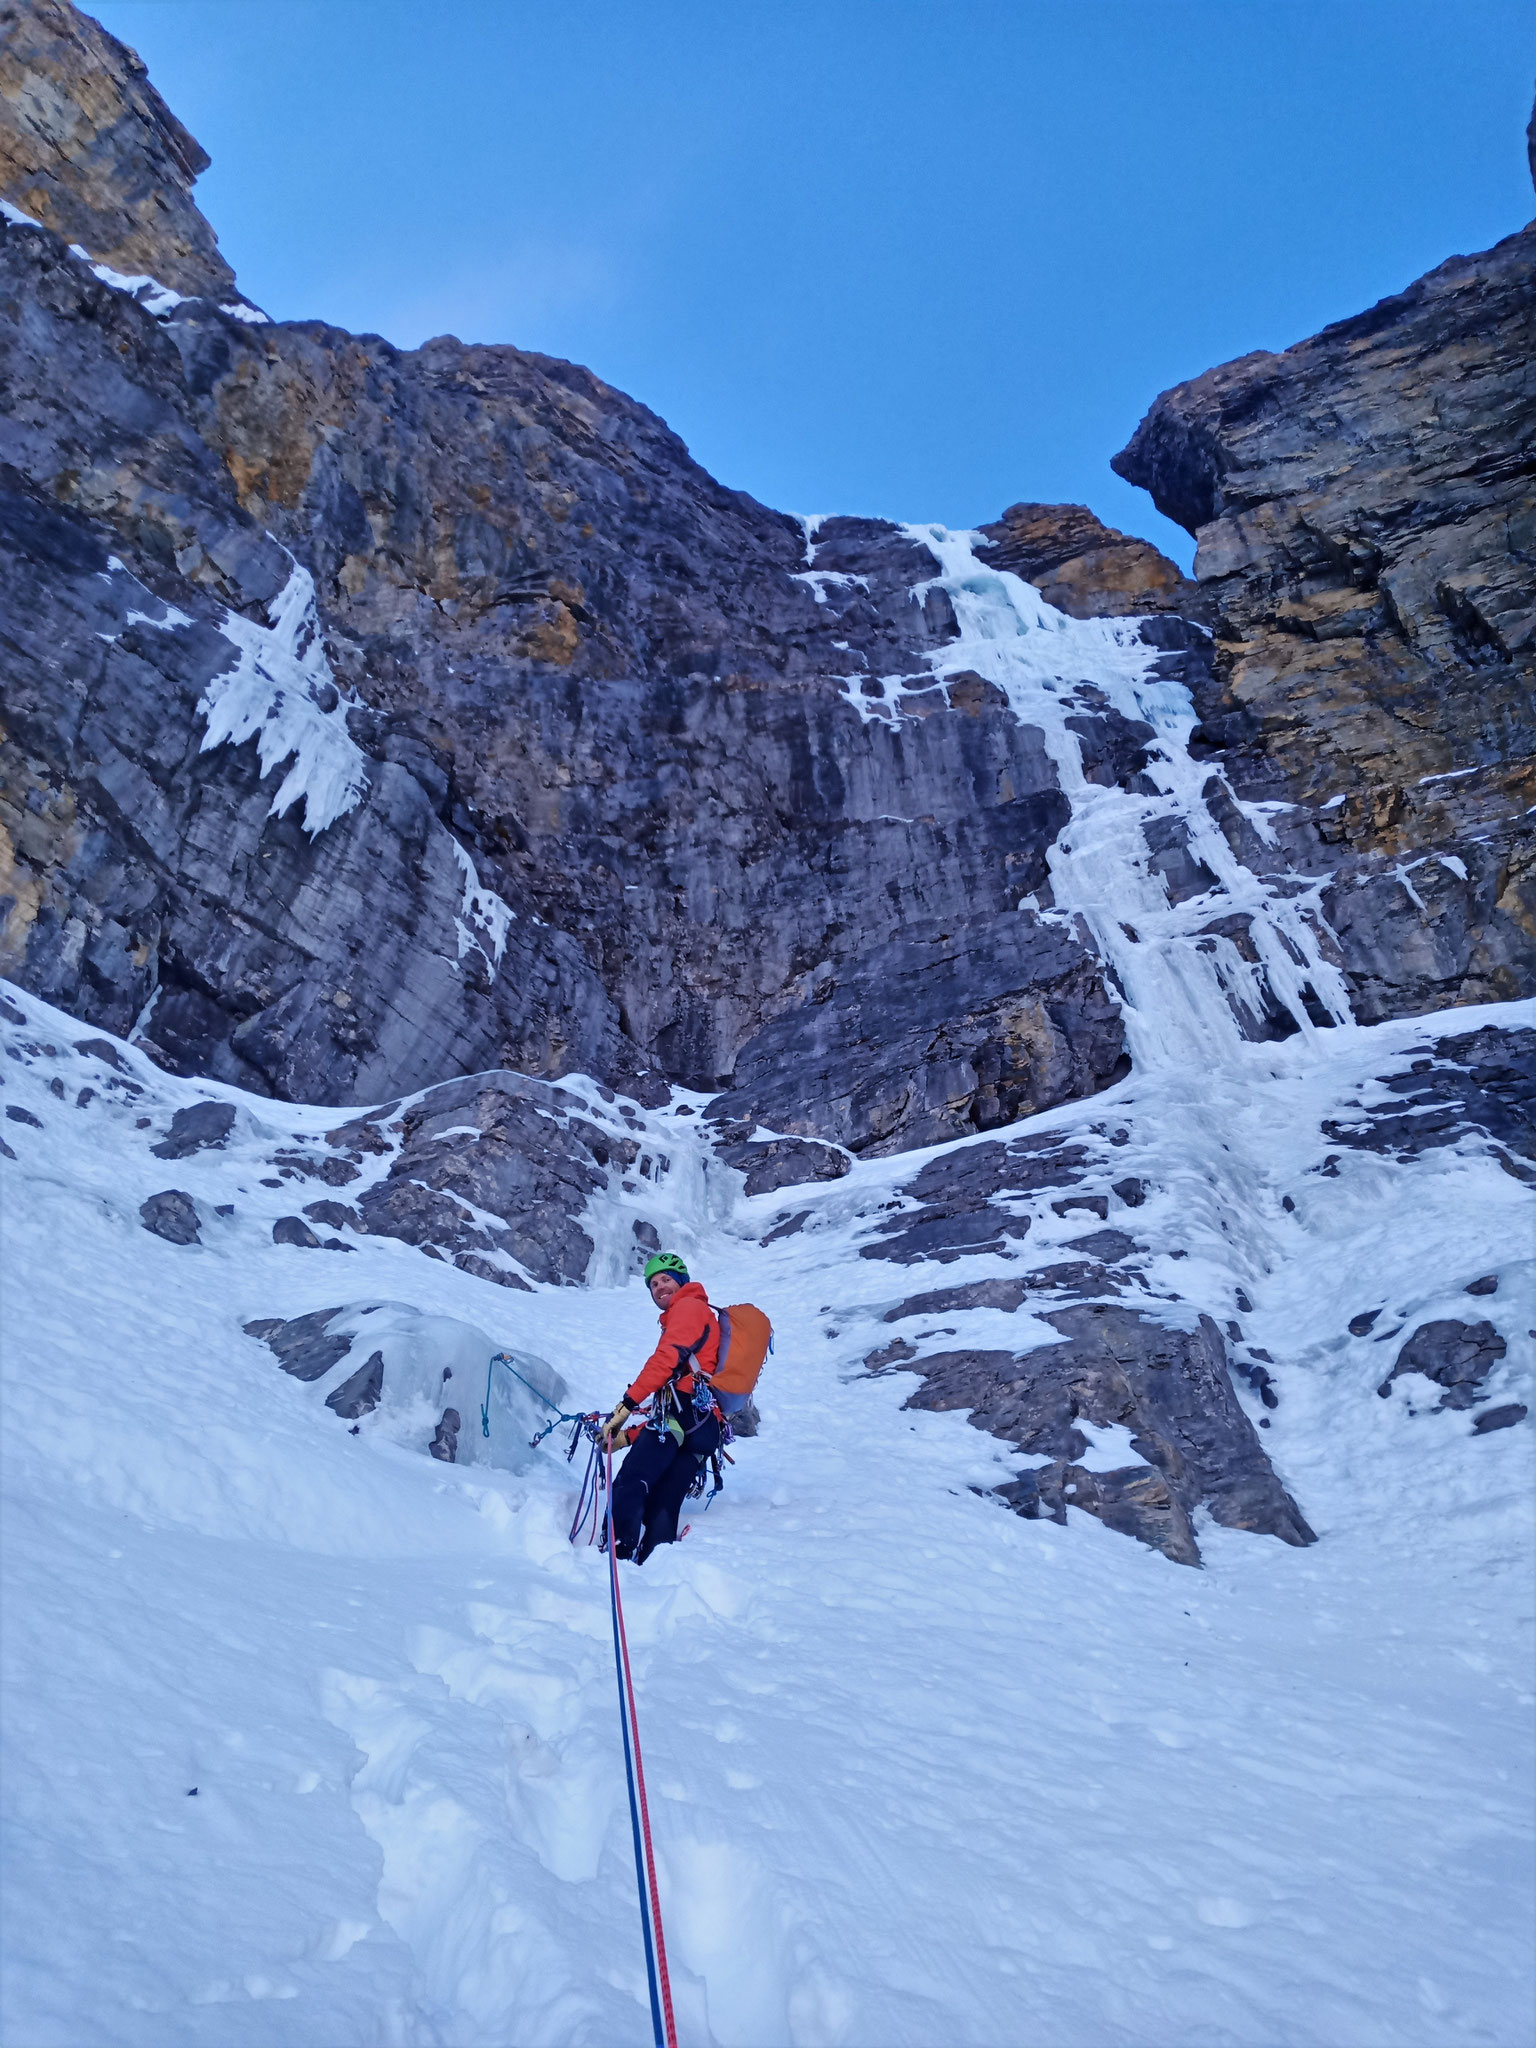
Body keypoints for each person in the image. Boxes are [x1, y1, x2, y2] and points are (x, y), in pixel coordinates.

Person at [603, 1251, 722, 1563]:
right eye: (653, 1284)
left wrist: (625, 1407)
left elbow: (665, 1361)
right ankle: (655, 1564)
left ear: (681, 1282)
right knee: (663, 1501)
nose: (659, 1287)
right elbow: (672, 1417)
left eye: (666, 1279)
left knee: (632, 1481)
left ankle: (616, 1554)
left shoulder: (688, 1307)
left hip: (685, 1415)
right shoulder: (696, 1311)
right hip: (702, 1426)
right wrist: (626, 1438)